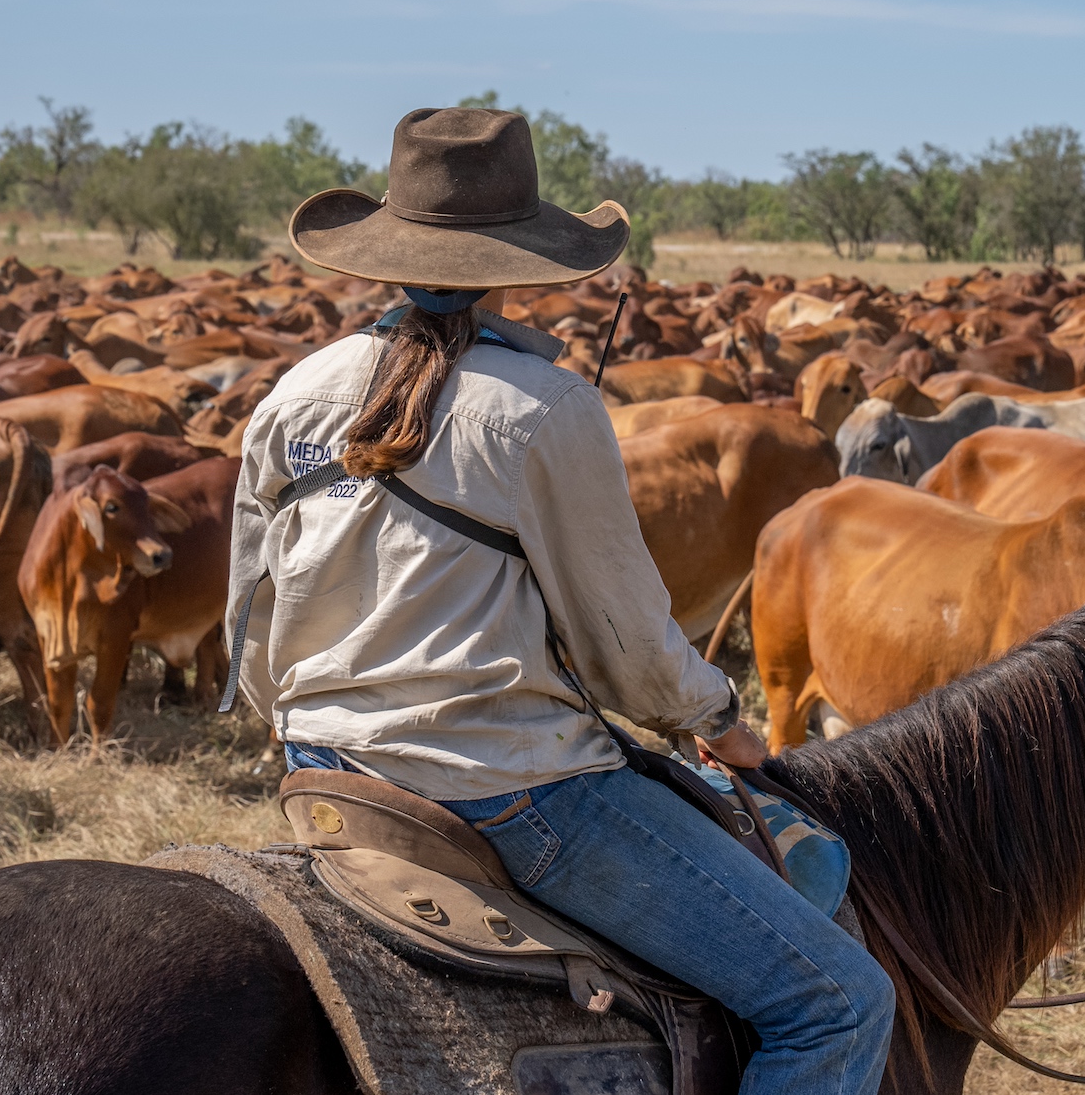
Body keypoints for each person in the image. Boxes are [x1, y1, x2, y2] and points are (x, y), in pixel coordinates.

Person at [227, 107, 894, 1093]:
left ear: (385, 249)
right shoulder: (546, 407)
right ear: (517, 259)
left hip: (329, 774)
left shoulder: (292, 395)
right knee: (839, 1001)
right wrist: (716, 719)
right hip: (510, 790)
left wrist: (327, 725)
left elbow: (252, 635)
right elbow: (626, 646)